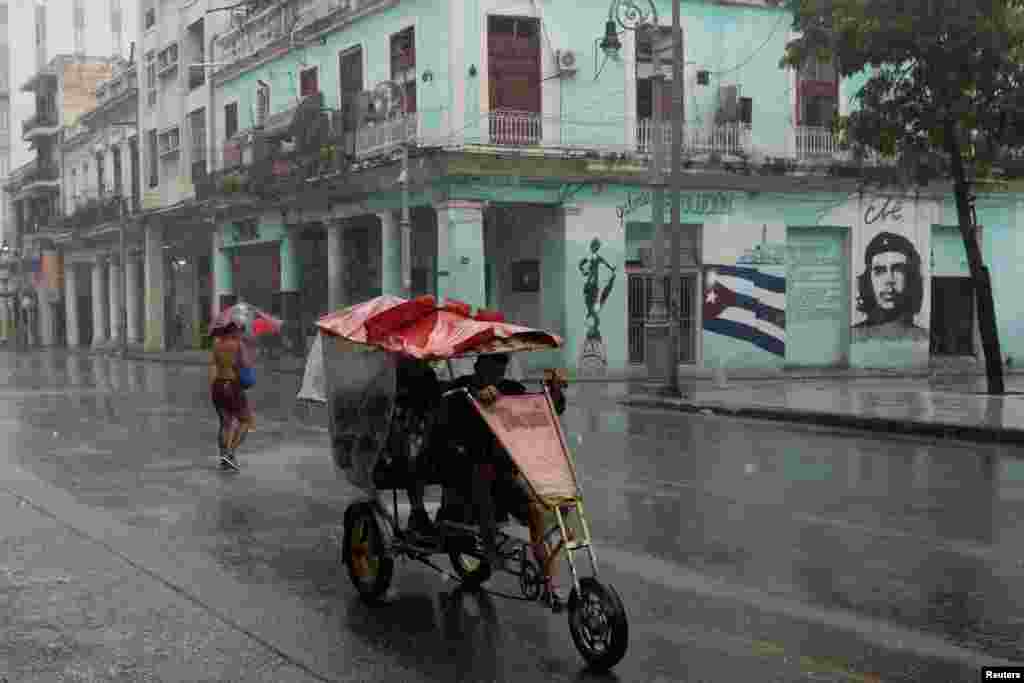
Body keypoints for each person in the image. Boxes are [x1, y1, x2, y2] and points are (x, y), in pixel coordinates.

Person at [435, 353, 569, 602]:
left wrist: (555, 392)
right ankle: (489, 548)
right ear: (478, 365)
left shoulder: (510, 388)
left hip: (504, 469)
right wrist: (475, 395)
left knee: (536, 511)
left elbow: (542, 409)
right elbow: (445, 414)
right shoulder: (460, 388)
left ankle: (549, 583)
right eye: (493, 365)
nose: (498, 372)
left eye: (502, 366)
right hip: (467, 467)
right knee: (482, 474)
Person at [852, 231, 930, 343]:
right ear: (868, 280)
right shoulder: (852, 338)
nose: (889, 280)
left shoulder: (923, 339)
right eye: (879, 271)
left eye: (898, 269)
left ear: (911, 278)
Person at [209, 322, 256, 471]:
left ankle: (223, 457)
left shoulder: (216, 344)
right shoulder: (238, 345)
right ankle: (230, 454)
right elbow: (245, 364)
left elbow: (215, 365)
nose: (241, 333)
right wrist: (248, 356)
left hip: (218, 386)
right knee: (246, 420)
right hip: (233, 386)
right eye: (239, 330)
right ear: (233, 330)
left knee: (225, 423)